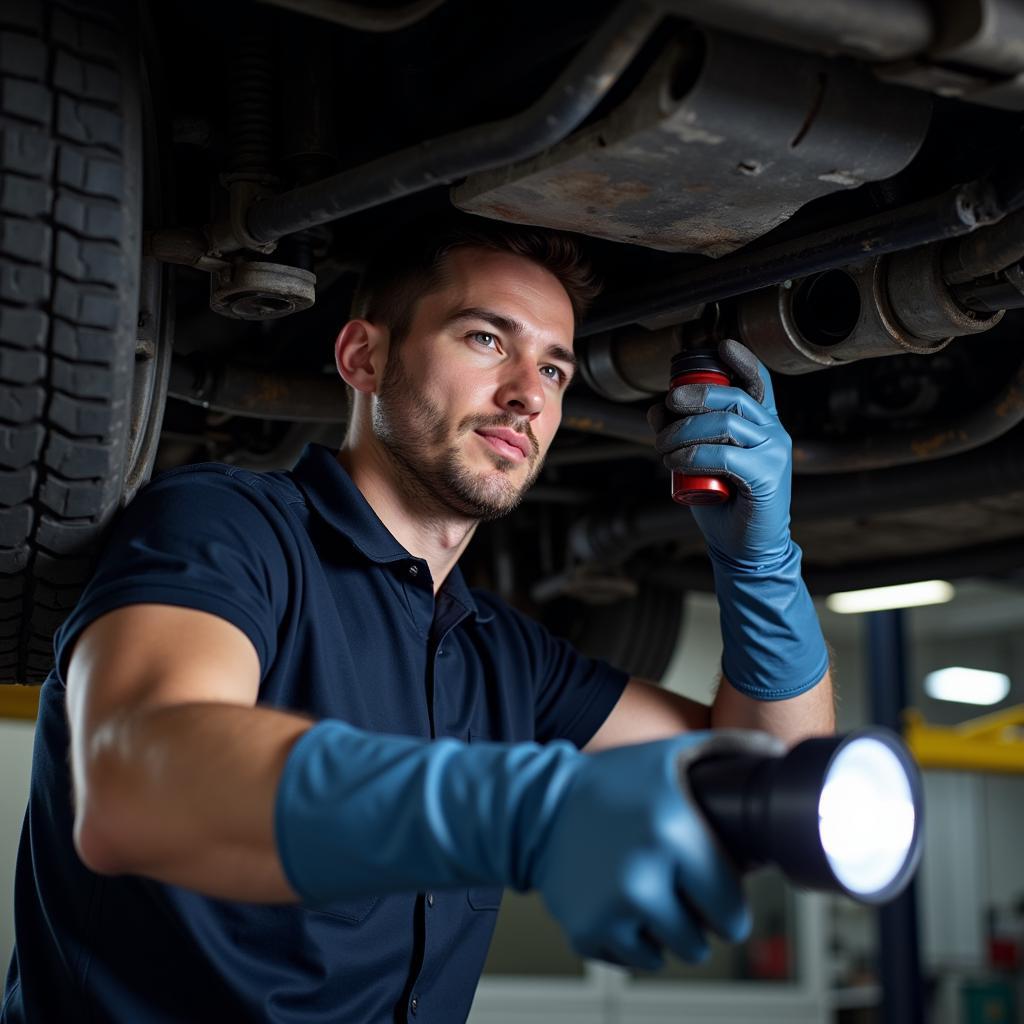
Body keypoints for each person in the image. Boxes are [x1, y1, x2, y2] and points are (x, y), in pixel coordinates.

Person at [2, 219, 833, 1024]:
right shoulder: (227, 528)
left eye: (554, 371)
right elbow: (135, 783)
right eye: (485, 340)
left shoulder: (502, 656)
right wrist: (525, 812)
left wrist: (761, 567)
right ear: (364, 356)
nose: (525, 397)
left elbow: (778, 777)